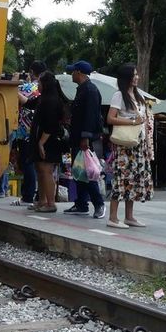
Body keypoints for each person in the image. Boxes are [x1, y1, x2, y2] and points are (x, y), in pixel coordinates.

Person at [105, 64, 151, 228]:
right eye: (134, 75)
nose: (137, 77)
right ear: (127, 78)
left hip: (138, 143)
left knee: (133, 179)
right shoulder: (119, 95)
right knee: (122, 178)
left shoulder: (138, 96)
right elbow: (110, 118)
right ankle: (112, 217)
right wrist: (132, 121)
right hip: (125, 144)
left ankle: (129, 216)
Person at [63, 60, 106, 218]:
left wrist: (85, 138)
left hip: (85, 139)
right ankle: (81, 203)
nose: (71, 74)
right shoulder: (82, 89)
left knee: (88, 172)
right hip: (77, 138)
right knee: (79, 171)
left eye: (73, 71)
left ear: (79, 72)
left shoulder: (90, 90)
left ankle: (99, 203)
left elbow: (90, 116)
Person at [30, 71, 66, 213]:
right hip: (43, 139)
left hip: (48, 141)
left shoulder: (51, 101)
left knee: (46, 171)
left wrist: (41, 143)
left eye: (39, 82)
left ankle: (51, 203)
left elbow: (51, 125)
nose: (37, 85)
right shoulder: (44, 98)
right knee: (40, 170)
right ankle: (42, 200)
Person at [16, 61, 47, 205]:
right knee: (39, 166)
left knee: (27, 163)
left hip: (25, 132)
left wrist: (15, 79)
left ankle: (27, 196)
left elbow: (13, 93)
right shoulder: (45, 87)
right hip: (41, 131)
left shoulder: (26, 87)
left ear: (31, 72)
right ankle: (38, 196)